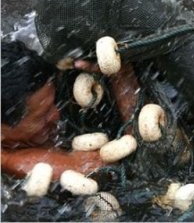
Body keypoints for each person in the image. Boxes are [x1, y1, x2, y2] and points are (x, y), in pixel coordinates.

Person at [1, 40, 142, 180]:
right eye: (41, 117)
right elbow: (136, 156)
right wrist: (120, 74)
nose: (56, 115)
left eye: (53, 102)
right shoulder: (23, 165)